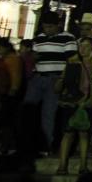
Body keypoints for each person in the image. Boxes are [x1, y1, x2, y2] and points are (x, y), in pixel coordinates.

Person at [24, 10, 77, 153]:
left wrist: (62, 80)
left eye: (50, 27)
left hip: (54, 79)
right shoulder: (39, 38)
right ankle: (26, 143)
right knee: (27, 110)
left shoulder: (68, 38)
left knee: (48, 114)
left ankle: (45, 146)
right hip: (38, 77)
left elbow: (71, 62)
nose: (47, 30)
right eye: (45, 27)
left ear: (58, 25)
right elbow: (35, 57)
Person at [55, 36, 92, 175]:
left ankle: (83, 165)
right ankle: (62, 165)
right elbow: (65, 82)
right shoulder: (72, 63)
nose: (82, 49)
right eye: (81, 46)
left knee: (84, 134)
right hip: (72, 102)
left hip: (88, 103)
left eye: (86, 46)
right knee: (68, 133)